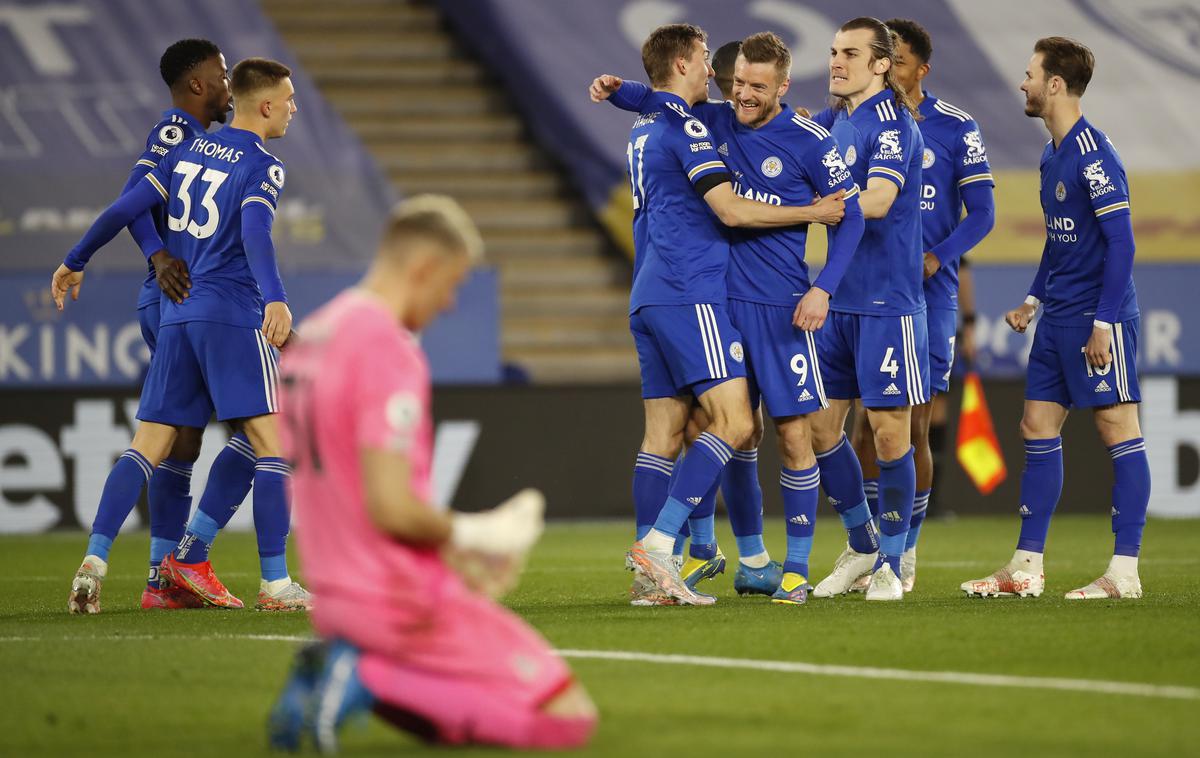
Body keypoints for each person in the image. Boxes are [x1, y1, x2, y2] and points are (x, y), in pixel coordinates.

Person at [266, 196, 597, 752]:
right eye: (452, 283)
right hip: (397, 596)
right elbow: (390, 507)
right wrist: (476, 534)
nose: (449, 303)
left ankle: (350, 672)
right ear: (423, 268)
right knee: (566, 717)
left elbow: (342, 486)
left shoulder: (315, 336)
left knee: (451, 705)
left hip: (334, 594)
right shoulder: (385, 347)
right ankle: (363, 678)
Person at [597, 30, 866, 606]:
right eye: (734, 81)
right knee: (734, 429)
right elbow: (728, 208)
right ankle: (681, 550)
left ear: (783, 87)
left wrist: (823, 288)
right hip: (702, 297)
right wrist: (809, 211)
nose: (738, 93)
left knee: (792, 434)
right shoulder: (704, 121)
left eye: (755, 86)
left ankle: (823, 552)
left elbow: (854, 219)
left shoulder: (808, 140)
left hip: (764, 305)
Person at [53, 57, 310, 612]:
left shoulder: (183, 150)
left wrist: (76, 258)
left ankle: (96, 563)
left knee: (151, 444)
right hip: (231, 312)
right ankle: (273, 583)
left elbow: (127, 206)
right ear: (265, 105)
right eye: (289, 99)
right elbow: (256, 232)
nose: (294, 107)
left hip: (177, 314)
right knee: (276, 442)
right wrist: (276, 298)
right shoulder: (264, 164)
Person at [962, 37, 1149, 600]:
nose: (1022, 83)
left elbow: (1122, 244)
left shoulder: (1095, 155)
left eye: (1029, 74)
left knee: (1117, 429)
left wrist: (1105, 322)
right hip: (1057, 317)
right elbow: (1060, 242)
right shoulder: (1051, 154)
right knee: (1036, 427)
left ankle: (1125, 571)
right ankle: (1026, 567)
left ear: (1056, 85)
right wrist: (1033, 299)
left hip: (1097, 319)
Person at [846, 18, 996, 593]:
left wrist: (939, 257)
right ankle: (867, 548)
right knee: (860, 429)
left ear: (919, 69)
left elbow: (982, 213)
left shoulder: (956, 127)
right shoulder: (856, 120)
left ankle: (903, 552)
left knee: (912, 426)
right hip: (864, 292)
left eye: (900, 61)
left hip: (926, 299)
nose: (890, 69)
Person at [801, 16, 928, 602]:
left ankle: (893, 564)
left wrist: (822, 203)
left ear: (881, 63)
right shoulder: (833, 122)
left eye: (849, 53)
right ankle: (862, 544)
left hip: (887, 304)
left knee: (888, 435)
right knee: (821, 430)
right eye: (832, 52)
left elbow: (877, 200)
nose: (835, 61)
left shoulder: (894, 126)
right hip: (837, 300)